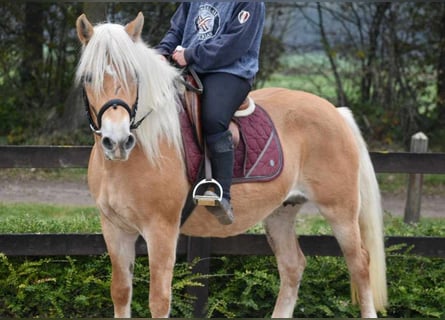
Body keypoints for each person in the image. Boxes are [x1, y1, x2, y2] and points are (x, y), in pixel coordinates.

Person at [155, 2, 265, 225]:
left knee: (212, 117)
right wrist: (162, 52)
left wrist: (191, 54)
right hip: (190, 66)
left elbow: (234, 44)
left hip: (230, 71)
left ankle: (222, 193)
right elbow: (177, 29)